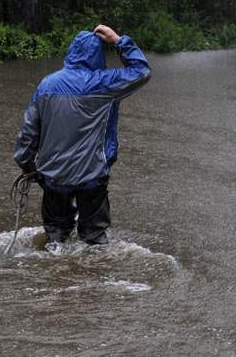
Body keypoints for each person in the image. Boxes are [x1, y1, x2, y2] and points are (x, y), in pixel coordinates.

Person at [13, 24, 151, 246]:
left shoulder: (47, 85)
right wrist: (118, 40)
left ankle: (55, 275)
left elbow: (28, 132)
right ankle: (94, 277)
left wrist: (28, 166)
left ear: (71, 52)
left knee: (55, 239)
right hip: (92, 176)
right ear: (98, 55)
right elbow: (141, 71)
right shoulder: (104, 83)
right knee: (94, 240)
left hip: (53, 177)